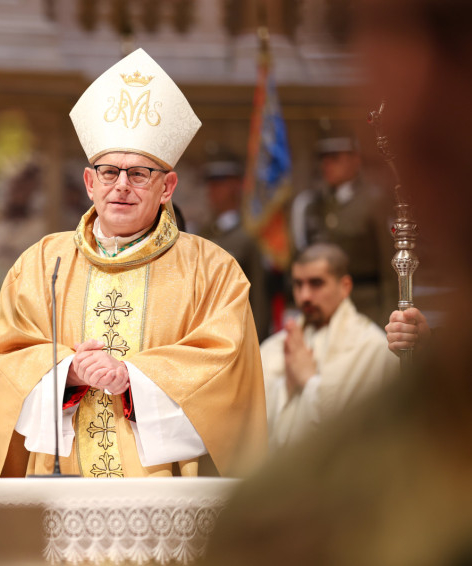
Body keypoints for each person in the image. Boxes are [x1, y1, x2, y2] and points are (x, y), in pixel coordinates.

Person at [202, 0, 472, 563]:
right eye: (351, 35)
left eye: (451, 32)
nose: (411, 107)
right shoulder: (294, 509)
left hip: (371, 307)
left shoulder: (370, 209)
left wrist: (397, 316)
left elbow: (388, 263)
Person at [0, 48, 267, 479]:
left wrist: (134, 379)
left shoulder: (213, 271)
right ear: (89, 182)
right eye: (109, 172)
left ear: (167, 187)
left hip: (161, 491)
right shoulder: (40, 264)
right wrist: (66, 372)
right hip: (60, 483)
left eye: (139, 174)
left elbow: (228, 377)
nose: (122, 186)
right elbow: (2, 362)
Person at [261, 243, 397, 450]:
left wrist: (308, 380)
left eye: (316, 283)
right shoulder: (276, 346)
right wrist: (287, 385)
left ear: (345, 286)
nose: (305, 296)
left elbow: (358, 434)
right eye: (298, 284)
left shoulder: (372, 347)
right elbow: (251, 431)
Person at [291, 134, 395, 326]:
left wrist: (388, 316)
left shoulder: (374, 202)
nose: (327, 165)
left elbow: (390, 266)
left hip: (365, 307)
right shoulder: (315, 204)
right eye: (324, 159)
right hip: (325, 308)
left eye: (335, 158)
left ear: (355, 160)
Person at [199, 157, 270, 340]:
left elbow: (258, 295)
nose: (213, 190)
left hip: (236, 331)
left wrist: (256, 338)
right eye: (211, 184)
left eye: (220, 183)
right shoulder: (202, 233)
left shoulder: (248, 236)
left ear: (236, 185)